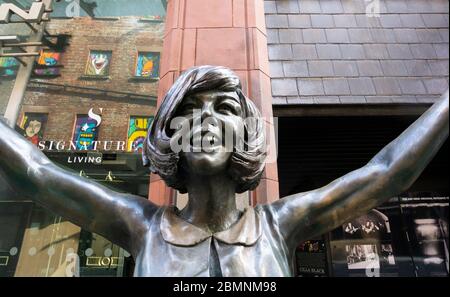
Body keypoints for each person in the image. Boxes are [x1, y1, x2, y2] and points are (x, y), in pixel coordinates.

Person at [0, 66, 448, 276]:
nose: (206, 119)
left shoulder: (279, 224)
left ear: (246, 134)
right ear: (170, 134)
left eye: (225, 108)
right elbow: (36, 173)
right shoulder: (142, 226)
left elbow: (386, 172)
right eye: (190, 109)